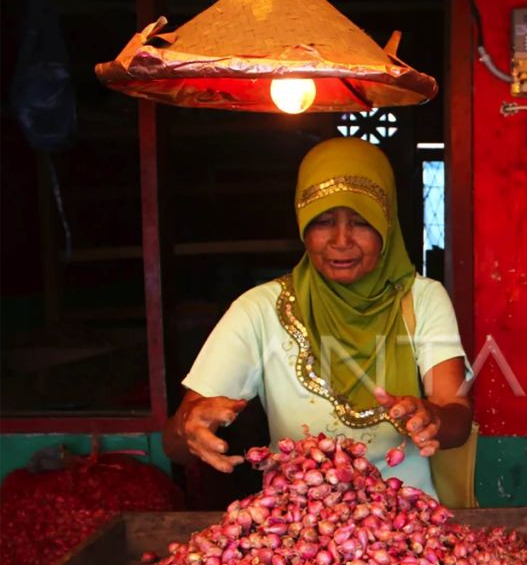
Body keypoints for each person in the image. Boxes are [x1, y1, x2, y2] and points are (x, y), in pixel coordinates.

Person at [163, 137, 472, 499]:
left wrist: (432, 418)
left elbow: (458, 416)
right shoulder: (260, 310)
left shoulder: (422, 299)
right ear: (302, 224)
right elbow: (174, 446)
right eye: (323, 221)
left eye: (361, 222)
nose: (341, 240)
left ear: (387, 223)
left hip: (409, 529)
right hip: (299, 535)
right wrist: (191, 428)